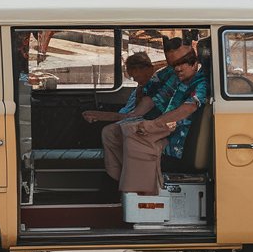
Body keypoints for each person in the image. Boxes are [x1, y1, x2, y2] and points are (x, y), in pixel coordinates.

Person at [97, 39, 208, 197]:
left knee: (134, 137)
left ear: (195, 60)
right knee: (112, 132)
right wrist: (130, 117)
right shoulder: (177, 78)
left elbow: (188, 107)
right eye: (173, 65)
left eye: (183, 62)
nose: (177, 68)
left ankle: (142, 193)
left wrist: (154, 124)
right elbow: (155, 99)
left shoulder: (201, 82)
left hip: (176, 140)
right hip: (165, 129)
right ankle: (121, 181)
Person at [81, 51, 166, 123]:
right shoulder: (138, 89)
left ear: (149, 69)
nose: (135, 80)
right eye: (133, 77)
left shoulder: (155, 90)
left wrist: (102, 116)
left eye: (137, 77)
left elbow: (132, 116)